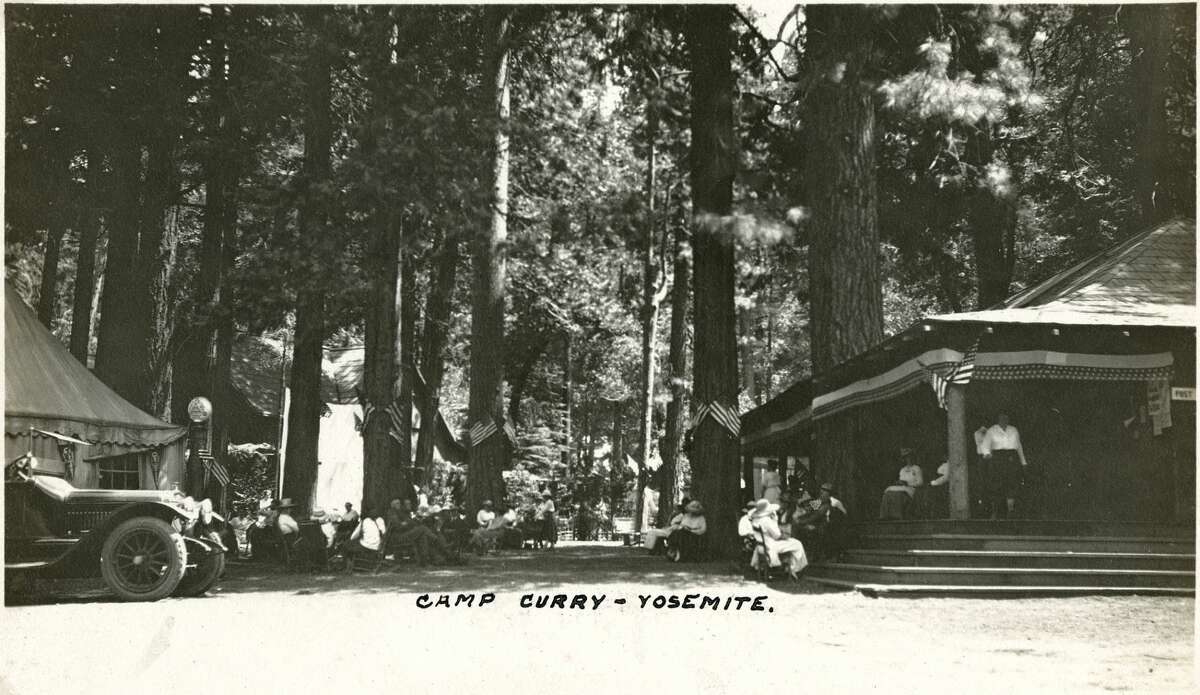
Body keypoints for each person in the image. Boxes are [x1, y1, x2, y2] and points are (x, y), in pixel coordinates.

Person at [979, 412, 1029, 518]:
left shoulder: (1014, 430)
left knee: (1012, 483)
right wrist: (987, 453)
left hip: (1012, 457)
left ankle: (1010, 510)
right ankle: (995, 511)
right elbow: (985, 444)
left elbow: (1019, 446)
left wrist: (1023, 462)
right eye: (1002, 418)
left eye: (1006, 418)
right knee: (996, 484)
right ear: (998, 419)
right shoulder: (992, 430)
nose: (1004, 420)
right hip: (997, 458)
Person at [749, 499, 808, 579]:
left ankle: (790, 567)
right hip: (771, 545)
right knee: (797, 543)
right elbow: (777, 535)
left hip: (762, 545)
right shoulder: (767, 520)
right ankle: (794, 569)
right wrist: (775, 521)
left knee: (793, 542)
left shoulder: (756, 519)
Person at [898, 447, 927, 518]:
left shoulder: (916, 468)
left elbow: (920, 482)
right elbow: (901, 479)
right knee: (889, 493)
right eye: (906, 458)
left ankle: (899, 515)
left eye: (909, 457)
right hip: (902, 488)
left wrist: (908, 484)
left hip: (913, 489)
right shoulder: (902, 470)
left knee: (900, 495)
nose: (908, 459)